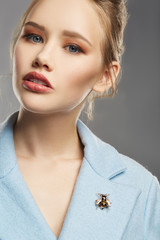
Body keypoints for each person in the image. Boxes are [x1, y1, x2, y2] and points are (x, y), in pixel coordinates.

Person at [0, 0, 159, 239]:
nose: (42, 57)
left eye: (73, 47)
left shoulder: (140, 189)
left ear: (105, 76)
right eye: (34, 37)